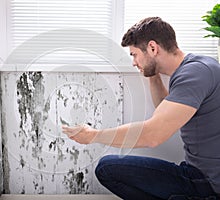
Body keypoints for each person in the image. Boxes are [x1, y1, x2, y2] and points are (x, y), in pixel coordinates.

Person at [62, 17, 220, 199]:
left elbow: (153, 135)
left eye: (134, 54)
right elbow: (166, 111)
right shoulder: (196, 68)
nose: (134, 62)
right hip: (201, 176)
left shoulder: (194, 74)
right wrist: (152, 73)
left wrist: (92, 135)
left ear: (152, 48)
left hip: (205, 183)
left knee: (107, 168)